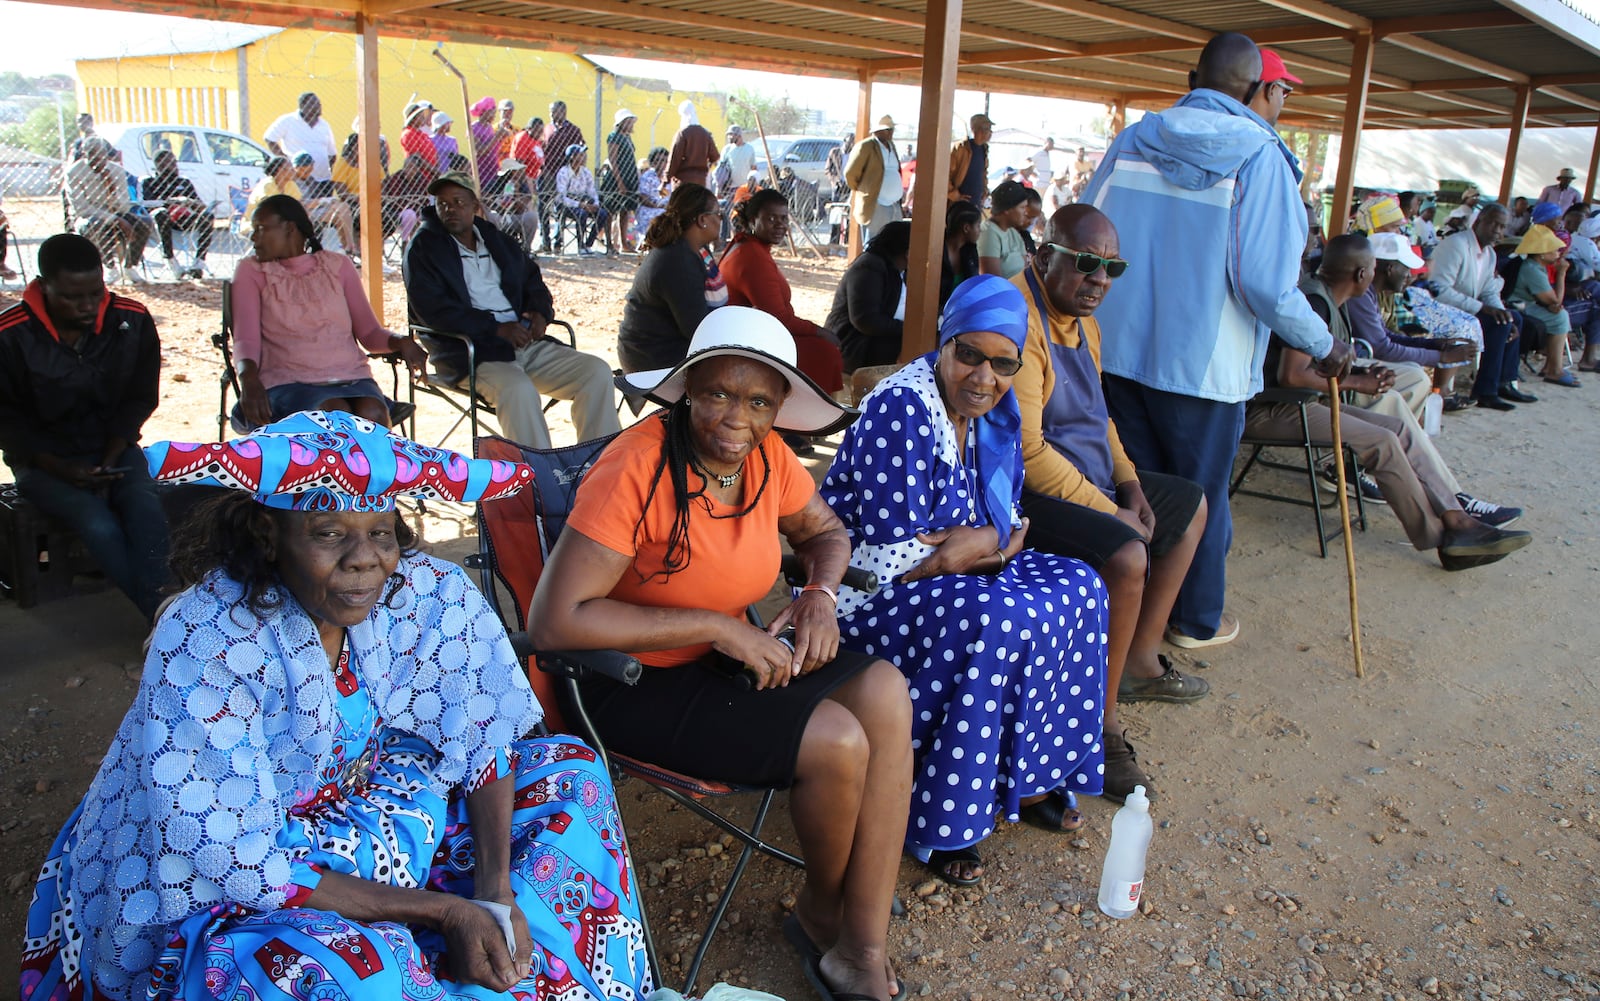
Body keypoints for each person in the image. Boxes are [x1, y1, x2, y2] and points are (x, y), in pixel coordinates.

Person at [19, 409, 655, 1001]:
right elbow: (235, 859)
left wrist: (492, 893)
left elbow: (482, 734)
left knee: (570, 774)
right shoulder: (208, 637)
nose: (364, 561)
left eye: (380, 532)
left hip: (375, 811)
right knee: (321, 969)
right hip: (244, 862)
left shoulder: (427, 590)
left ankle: (530, 974)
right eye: (329, 533)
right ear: (268, 534)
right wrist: (444, 910)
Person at [531, 310, 911, 1001]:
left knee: (885, 689)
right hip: (623, 679)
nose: (737, 418)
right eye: (718, 395)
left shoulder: (765, 457)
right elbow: (555, 621)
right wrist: (719, 625)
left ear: (776, 409)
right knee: (836, 741)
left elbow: (824, 529)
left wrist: (820, 592)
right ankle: (825, 912)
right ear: (686, 391)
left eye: (759, 401)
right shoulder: (637, 464)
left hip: (723, 654)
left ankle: (861, 940)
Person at [818, 275, 1107, 887]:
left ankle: (1030, 778)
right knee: (995, 620)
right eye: (968, 355)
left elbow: (1005, 518)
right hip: (863, 593)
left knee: (1082, 588)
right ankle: (946, 818)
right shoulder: (904, 407)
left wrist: (988, 543)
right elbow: (890, 558)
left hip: (956, 567)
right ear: (944, 344)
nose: (983, 377)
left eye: (1003, 363)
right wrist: (973, 550)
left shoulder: (990, 410)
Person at [1081, 32, 1355, 650]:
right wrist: (1326, 343)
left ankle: (1125, 613)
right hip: (1204, 371)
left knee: (1135, 487)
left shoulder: (1133, 139)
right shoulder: (1262, 158)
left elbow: (1083, 230)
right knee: (1201, 500)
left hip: (1118, 352)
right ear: (1256, 89)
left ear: (1191, 77)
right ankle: (1194, 620)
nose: (1280, 102)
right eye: (1279, 91)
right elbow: (1266, 281)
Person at [1011, 206, 1210, 800]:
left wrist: (1131, 487)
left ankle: (1139, 662)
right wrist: (1109, 510)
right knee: (1127, 556)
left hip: (1087, 479)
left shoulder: (1084, 322)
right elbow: (1025, 454)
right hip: (1025, 492)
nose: (1100, 278)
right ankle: (1102, 727)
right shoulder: (1019, 321)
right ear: (1045, 259)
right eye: (1087, 263)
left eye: (1111, 267)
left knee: (1189, 505)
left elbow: (1099, 419)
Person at [1248, 236, 1532, 571]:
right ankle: (1440, 537)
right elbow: (1292, 376)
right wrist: (1358, 381)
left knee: (1398, 428)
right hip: (1271, 408)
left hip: (1300, 404)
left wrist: (1360, 372)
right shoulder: (1315, 303)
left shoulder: (1328, 300)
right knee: (1382, 441)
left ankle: (1457, 519)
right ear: (1362, 274)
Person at [0, 233, 169, 621]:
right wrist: (56, 466)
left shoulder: (132, 319)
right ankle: (164, 617)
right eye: (72, 297)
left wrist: (112, 451)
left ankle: (164, 613)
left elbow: (140, 397)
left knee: (145, 508)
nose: (88, 306)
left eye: (95, 293)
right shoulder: (10, 335)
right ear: (43, 288)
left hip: (113, 449)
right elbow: (5, 418)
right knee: (97, 523)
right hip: (42, 461)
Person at [404, 171, 620, 449]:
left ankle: (599, 469)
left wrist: (540, 313)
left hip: (524, 341)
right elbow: (433, 310)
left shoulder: (494, 239)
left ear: (475, 207)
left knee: (596, 372)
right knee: (518, 390)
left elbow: (533, 279)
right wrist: (495, 329)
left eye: (458, 202)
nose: (450, 210)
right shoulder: (424, 248)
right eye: (443, 204)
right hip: (471, 352)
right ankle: (541, 482)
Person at [232, 194, 424, 430]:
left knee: (373, 412)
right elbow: (245, 339)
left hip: (350, 377)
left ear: (290, 229)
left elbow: (369, 333)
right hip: (289, 381)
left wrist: (401, 342)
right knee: (334, 414)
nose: (253, 237)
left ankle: (367, 468)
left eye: (261, 229)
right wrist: (248, 380)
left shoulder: (337, 266)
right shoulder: (251, 271)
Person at [719, 189, 845, 398]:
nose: (780, 225)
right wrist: (818, 331)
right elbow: (778, 317)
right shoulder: (752, 256)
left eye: (784, 218)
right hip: (745, 341)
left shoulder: (751, 246)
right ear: (753, 220)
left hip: (753, 331)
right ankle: (808, 425)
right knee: (825, 351)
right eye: (771, 218)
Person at [1427, 203, 1528, 410]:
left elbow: (1489, 291)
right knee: (1495, 323)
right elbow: (1438, 290)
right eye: (1494, 224)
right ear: (1479, 220)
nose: (1498, 231)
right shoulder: (1456, 245)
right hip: (1440, 310)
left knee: (1512, 319)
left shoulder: (1489, 254)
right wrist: (1482, 308)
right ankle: (1485, 391)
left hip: (1465, 310)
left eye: (1502, 227)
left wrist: (1503, 312)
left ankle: (1504, 381)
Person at [617, 182, 725, 373]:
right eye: (718, 214)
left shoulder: (692, 250)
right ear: (702, 220)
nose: (720, 219)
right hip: (653, 360)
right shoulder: (679, 260)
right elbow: (697, 330)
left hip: (662, 349)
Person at [65, 137, 151, 284]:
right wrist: (114, 219)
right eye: (93, 155)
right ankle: (110, 267)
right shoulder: (74, 173)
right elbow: (81, 208)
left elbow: (124, 205)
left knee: (144, 223)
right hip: (89, 217)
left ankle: (129, 266)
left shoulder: (116, 170)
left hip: (116, 212)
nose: (98, 159)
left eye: (101, 155)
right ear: (85, 154)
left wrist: (110, 188)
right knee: (98, 224)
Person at [826, 219, 908, 372]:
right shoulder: (869, 267)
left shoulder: (899, 270)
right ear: (908, 252)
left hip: (873, 350)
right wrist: (909, 328)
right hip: (854, 352)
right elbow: (866, 320)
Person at [1507, 223, 1582, 387]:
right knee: (1560, 317)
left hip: (1524, 305)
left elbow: (1550, 301)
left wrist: (1552, 304)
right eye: (1554, 250)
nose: (1558, 254)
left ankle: (1551, 366)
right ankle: (1554, 370)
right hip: (1517, 307)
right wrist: (1562, 273)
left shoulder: (1534, 266)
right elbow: (1555, 301)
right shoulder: (1532, 270)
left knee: (1558, 314)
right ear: (1542, 254)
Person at [140, 148, 215, 280]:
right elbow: (147, 204)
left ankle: (199, 263)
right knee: (161, 214)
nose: (171, 166)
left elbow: (200, 205)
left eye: (173, 163)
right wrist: (168, 203)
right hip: (162, 219)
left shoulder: (183, 182)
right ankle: (170, 259)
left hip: (183, 217)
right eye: (165, 164)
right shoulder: (149, 182)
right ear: (158, 165)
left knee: (207, 216)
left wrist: (188, 202)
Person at [843, 115, 903, 241]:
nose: (891, 132)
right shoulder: (866, 146)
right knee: (874, 243)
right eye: (887, 129)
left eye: (892, 129)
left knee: (894, 243)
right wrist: (865, 190)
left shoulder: (892, 146)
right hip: (876, 204)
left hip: (894, 205)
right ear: (878, 131)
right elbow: (850, 173)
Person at [263, 91, 338, 187]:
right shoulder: (288, 121)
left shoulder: (324, 125)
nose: (318, 106)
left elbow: (332, 154)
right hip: (298, 179)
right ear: (303, 105)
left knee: (325, 202)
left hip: (323, 180)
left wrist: (328, 172)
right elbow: (269, 138)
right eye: (313, 103)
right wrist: (287, 163)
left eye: (319, 104)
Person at [538, 102, 585, 252]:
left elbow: (581, 150)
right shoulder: (547, 129)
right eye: (550, 111)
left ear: (563, 111)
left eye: (555, 111)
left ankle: (558, 242)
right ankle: (545, 241)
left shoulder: (573, 130)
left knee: (561, 207)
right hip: (548, 172)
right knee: (544, 207)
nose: (552, 114)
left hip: (565, 174)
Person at [555, 142, 613, 256]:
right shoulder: (563, 172)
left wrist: (595, 203)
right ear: (572, 157)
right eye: (580, 154)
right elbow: (562, 197)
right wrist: (580, 205)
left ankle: (588, 244)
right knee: (582, 214)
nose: (584, 157)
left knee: (602, 214)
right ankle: (580, 246)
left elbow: (592, 191)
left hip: (585, 203)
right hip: (568, 205)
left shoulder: (585, 172)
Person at [603, 108, 641, 252]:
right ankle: (609, 243)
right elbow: (613, 160)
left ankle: (623, 242)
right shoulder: (614, 137)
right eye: (629, 122)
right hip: (616, 179)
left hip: (629, 178)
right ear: (622, 122)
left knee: (625, 210)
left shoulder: (627, 138)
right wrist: (619, 182)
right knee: (610, 210)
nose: (631, 125)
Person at [978, 180, 1030, 278]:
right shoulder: (988, 234)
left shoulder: (1013, 233)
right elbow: (993, 280)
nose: (1025, 213)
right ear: (1007, 209)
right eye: (1022, 208)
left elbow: (1025, 271)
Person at [486, 158, 539, 250]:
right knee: (492, 216)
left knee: (532, 217)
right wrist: (497, 203)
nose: (521, 173)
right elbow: (486, 199)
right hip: (500, 217)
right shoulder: (496, 183)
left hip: (515, 218)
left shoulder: (522, 185)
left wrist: (516, 192)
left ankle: (525, 249)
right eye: (517, 171)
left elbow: (521, 208)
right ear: (510, 172)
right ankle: (497, 249)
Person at [381, 152, 433, 243]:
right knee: (410, 214)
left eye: (413, 168)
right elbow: (393, 201)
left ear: (417, 169)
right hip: (397, 213)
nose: (409, 170)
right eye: (407, 167)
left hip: (417, 213)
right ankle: (405, 241)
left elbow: (425, 200)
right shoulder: (396, 179)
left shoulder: (422, 180)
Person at [667, 100, 719, 189]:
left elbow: (674, 159)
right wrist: (704, 168)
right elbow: (715, 156)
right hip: (700, 182)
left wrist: (665, 180)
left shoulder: (682, 134)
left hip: (683, 182)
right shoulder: (705, 134)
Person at [940, 200, 983, 308]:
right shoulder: (937, 249)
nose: (980, 230)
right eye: (978, 226)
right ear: (966, 228)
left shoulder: (970, 251)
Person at [946, 113, 992, 205]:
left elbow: (983, 173)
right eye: (986, 129)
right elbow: (946, 174)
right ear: (976, 130)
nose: (990, 133)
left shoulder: (984, 150)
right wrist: (954, 195)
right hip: (959, 205)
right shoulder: (961, 148)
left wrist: (985, 190)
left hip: (976, 204)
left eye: (990, 129)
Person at [470, 95, 511, 192]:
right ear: (485, 111)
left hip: (492, 168)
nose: (494, 115)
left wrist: (501, 137)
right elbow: (479, 151)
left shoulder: (489, 127)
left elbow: (493, 146)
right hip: (481, 170)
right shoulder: (473, 128)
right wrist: (496, 136)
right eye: (493, 111)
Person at [631, 146, 672, 242]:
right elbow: (642, 196)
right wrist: (657, 205)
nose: (661, 163)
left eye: (664, 160)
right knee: (657, 217)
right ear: (652, 162)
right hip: (650, 207)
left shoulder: (672, 177)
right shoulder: (647, 176)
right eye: (657, 160)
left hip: (668, 207)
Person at [400, 99, 440, 170]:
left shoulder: (423, 134)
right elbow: (417, 159)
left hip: (432, 174)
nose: (423, 118)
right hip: (421, 175)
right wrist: (433, 171)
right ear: (413, 119)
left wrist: (436, 168)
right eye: (420, 116)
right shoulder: (408, 134)